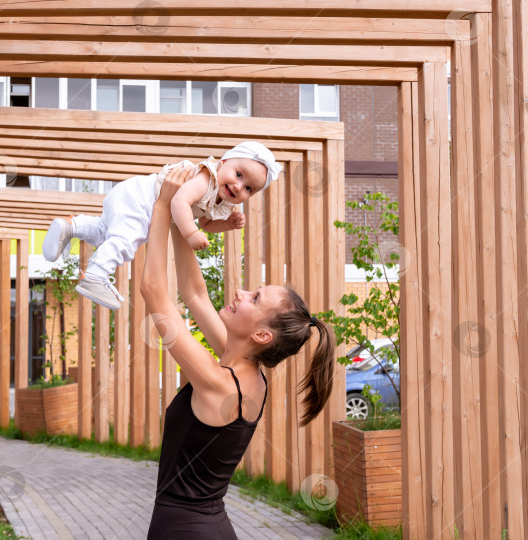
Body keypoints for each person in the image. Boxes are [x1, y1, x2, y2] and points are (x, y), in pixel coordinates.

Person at [140, 164, 336, 539]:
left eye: (255, 298)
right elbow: (195, 294)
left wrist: (164, 205)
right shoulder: (244, 371)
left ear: (262, 335)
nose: (241, 293)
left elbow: (153, 291)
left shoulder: (221, 384)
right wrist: (188, 215)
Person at [41, 141, 283, 310]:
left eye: (249, 188)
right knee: (125, 242)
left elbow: (207, 223)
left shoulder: (221, 202)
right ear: (223, 162)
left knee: (105, 233)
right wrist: (190, 233)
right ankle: (96, 275)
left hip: (132, 199)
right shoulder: (206, 178)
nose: (239, 187)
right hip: (140, 200)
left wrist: (227, 224)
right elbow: (179, 201)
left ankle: (71, 226)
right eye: (239, 175)